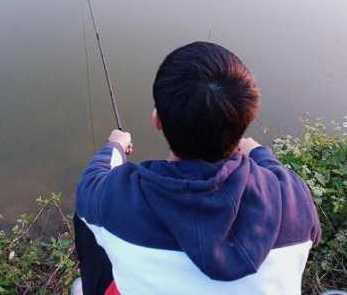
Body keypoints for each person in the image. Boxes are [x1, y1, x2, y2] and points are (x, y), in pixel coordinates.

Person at [73, 42, 321, 295]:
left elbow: (91, 181)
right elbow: (279, 180)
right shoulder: (294, 200)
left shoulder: (115, 199)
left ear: (157, 121)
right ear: (246, 121)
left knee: (87, 227)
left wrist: (115, 145)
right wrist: (259, 153)